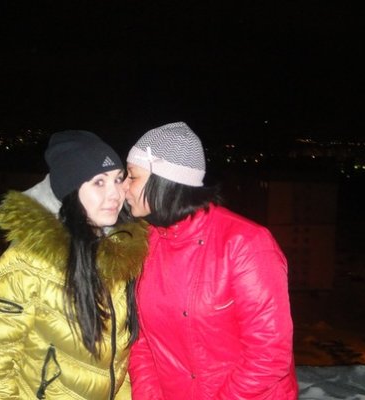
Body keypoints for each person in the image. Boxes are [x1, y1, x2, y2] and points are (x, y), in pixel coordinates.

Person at [0, 130, 148, 399]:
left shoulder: (119, 255)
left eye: (118, 179)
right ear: (70, 189)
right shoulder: (28, 264)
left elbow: (119, 364)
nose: (115, 194)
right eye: (99, 182)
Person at [124, 122, 298, 399]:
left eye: (132, 176)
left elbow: (269, 354)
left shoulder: (245, 244)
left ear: (165, 180)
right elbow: (143, 341)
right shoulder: (146, 243)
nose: (124, 187)